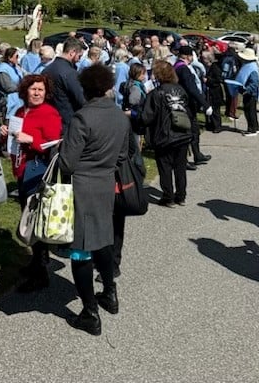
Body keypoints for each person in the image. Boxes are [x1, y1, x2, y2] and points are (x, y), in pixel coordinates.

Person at [59, 64, 129, 337]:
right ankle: (109, 292)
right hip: (105, 184)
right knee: (103, 241)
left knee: (81, 249)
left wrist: (59, 147)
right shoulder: (120, 116)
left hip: (82, 186)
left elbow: (67, 162)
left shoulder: (82, 117)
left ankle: (90, 312)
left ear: (85, 89)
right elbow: (122, 155)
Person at [0, 74, 62, 292]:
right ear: (25, 91)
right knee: (28, 217)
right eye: (33, 89)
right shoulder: (19, 111)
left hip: (37, 171)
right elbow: (12, 142)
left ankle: (41, 272)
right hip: (21, 170)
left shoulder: (49, 113)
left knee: (36, 222)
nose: (36, 93)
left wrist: (32, 140)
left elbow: (53, 144)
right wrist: (5, 134)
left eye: (41, 90)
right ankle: (35, 263)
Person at [141, 60, 192, 207]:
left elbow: (147, 117)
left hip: (165, 136)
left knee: (165, 167)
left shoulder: (156, 94)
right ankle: (181, 196)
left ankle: (168, 197)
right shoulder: (181, 90)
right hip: (182, 133)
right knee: (180, 167)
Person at [44, 37, 86, 131]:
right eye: (79, 56)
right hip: (67, 122)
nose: (79, 60)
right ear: (72, 52)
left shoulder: (46, 70)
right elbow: (81, 99)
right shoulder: (70, 73)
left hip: (49, 119)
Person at [235, 47, 259, 136]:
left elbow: (254, 82)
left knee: (250, 111)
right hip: (249, 92)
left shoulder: (252, 68)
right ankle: (255, 128)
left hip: (250, 93)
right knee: (251, 111)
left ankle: (252, 129)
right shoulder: (250, 66)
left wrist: (247, 90)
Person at [0, 47, 24, 119]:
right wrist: (22, 87)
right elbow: (7, 87)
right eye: (16, 56)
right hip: (9, 101)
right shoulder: (3, 69)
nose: (18, 58)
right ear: (9, 58)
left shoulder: (17, 67)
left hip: (19, 101)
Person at [201, 50, 224, 133]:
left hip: (215, 92)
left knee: (215, 110)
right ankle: (210, 124)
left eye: (204, 58)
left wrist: (208, 80)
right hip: (210, 91)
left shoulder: (215, 68)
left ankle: (217, 126)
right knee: (210, 108)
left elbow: (218, 80)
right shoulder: (209, 67)